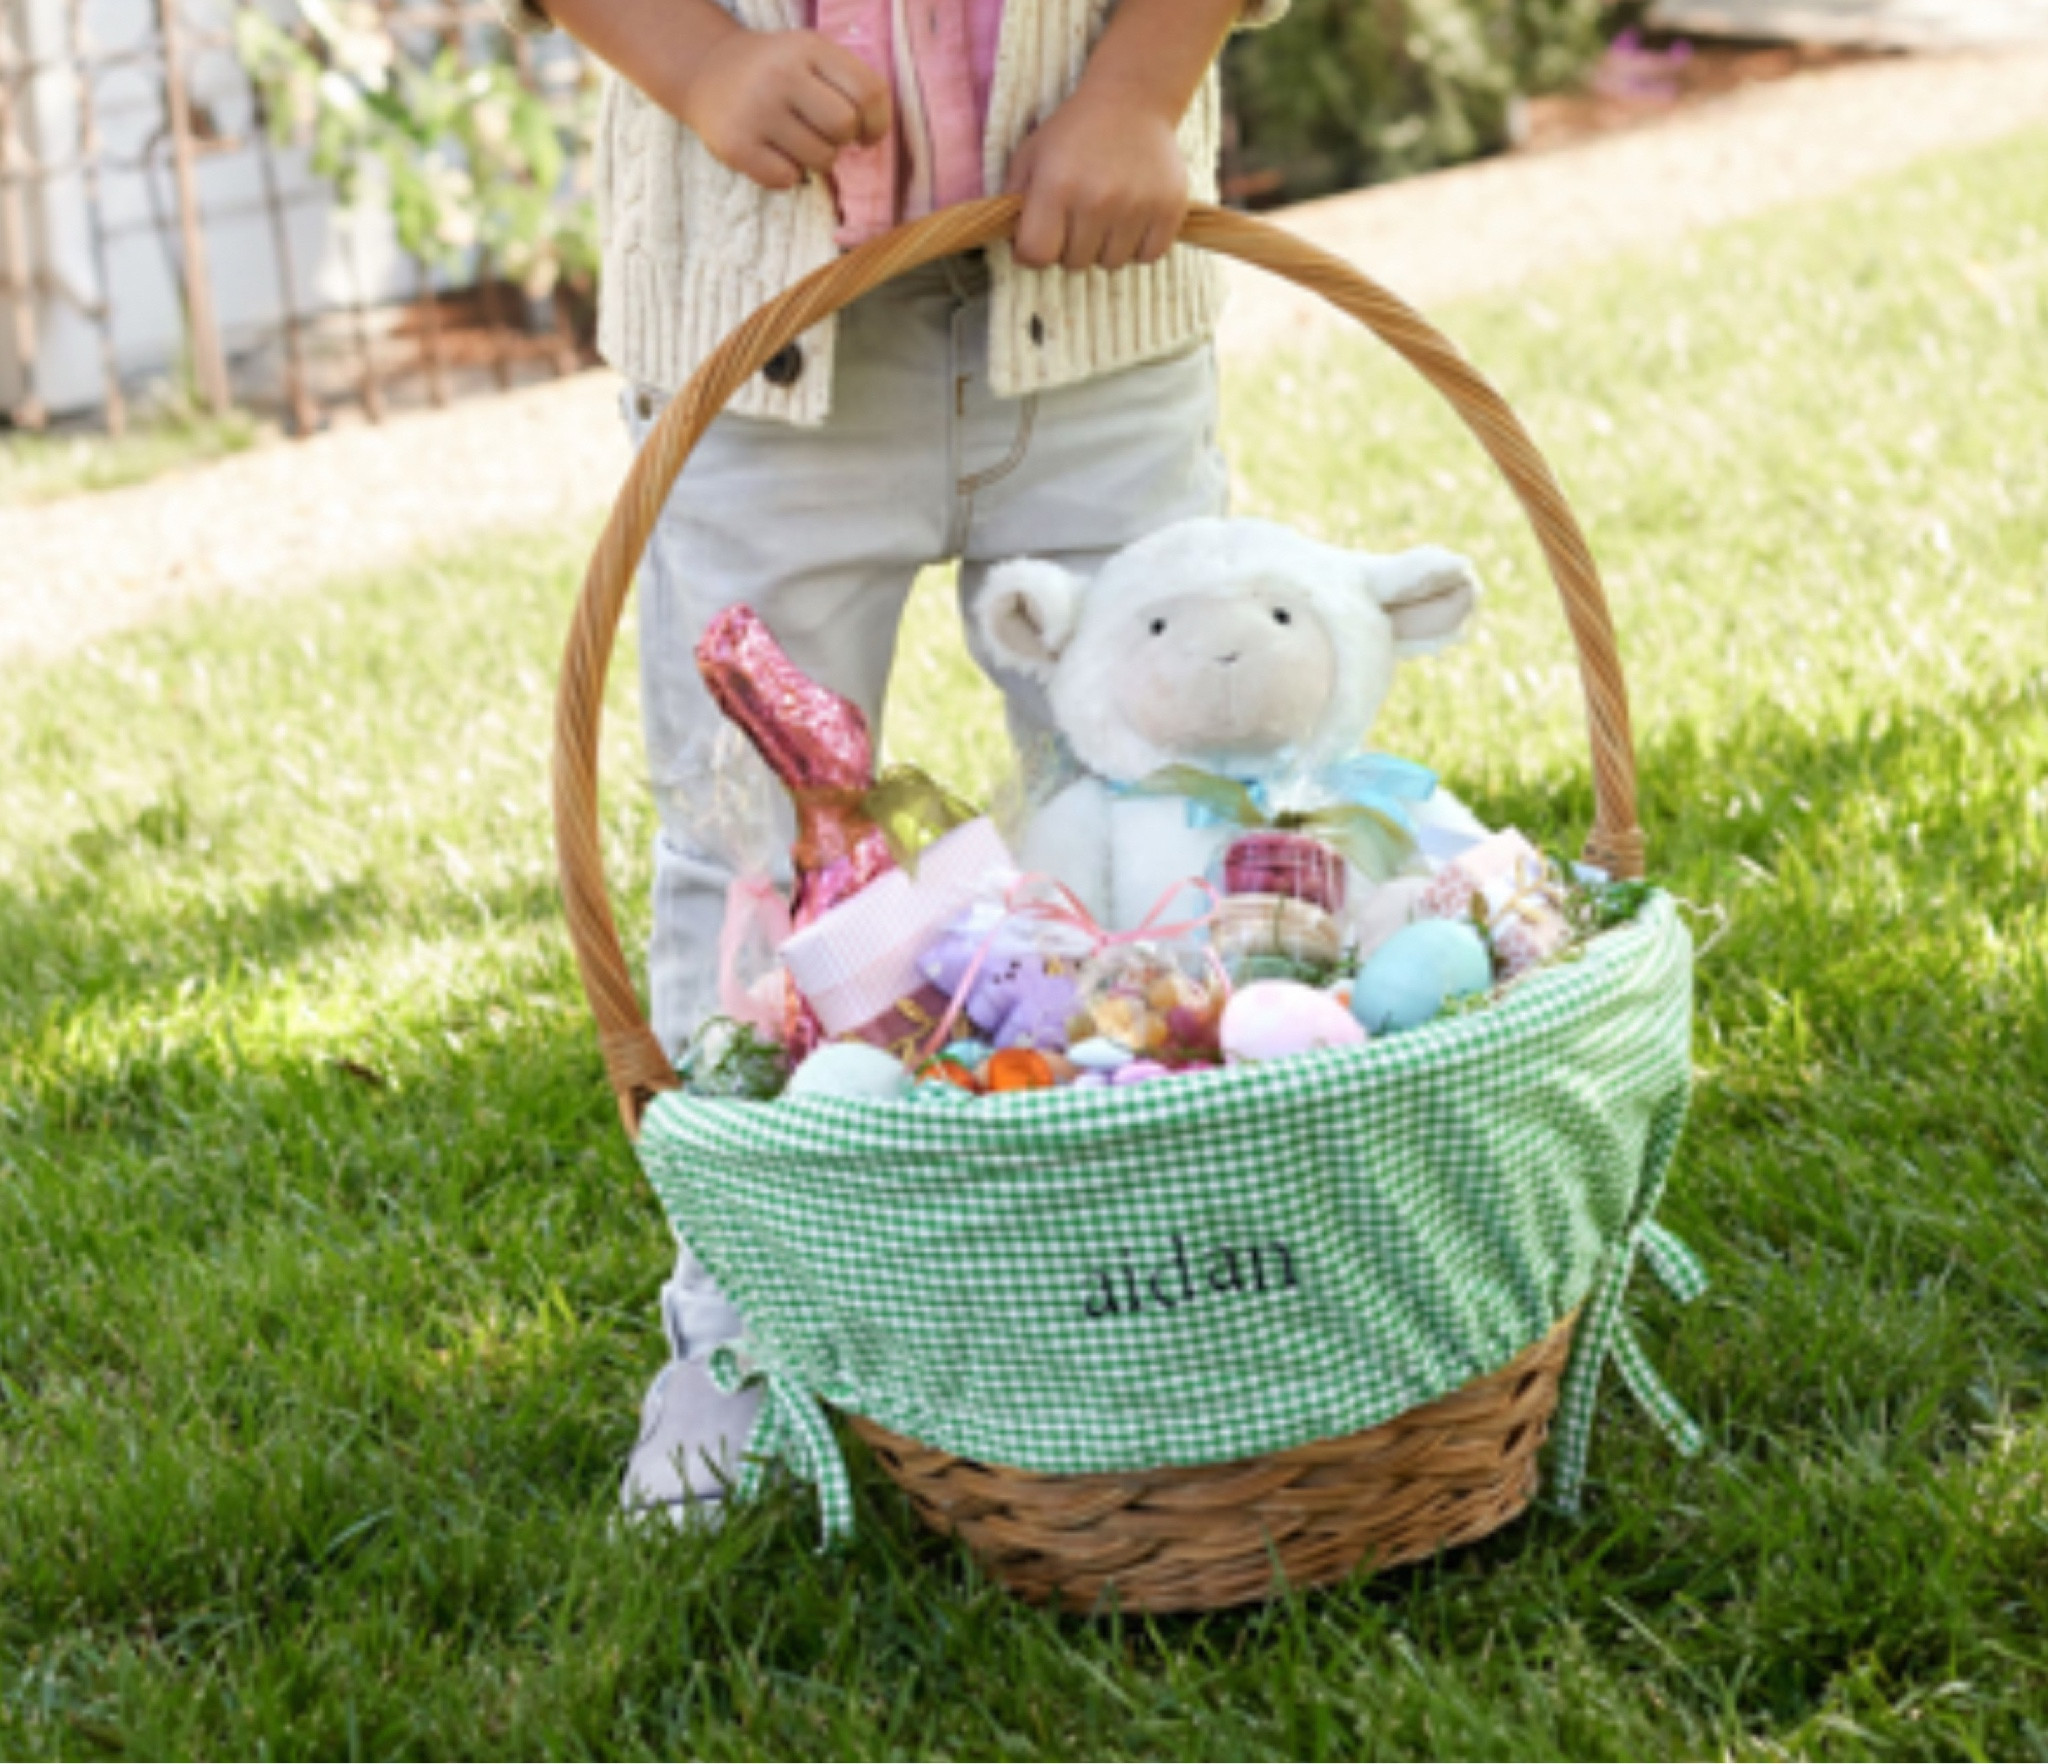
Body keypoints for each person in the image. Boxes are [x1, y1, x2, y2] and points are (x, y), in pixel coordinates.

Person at [495, 0, 1287, 1525]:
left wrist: (1141, 88)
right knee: (752, 861)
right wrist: (701, 60)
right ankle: (751, 1332)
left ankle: (1186, 1269)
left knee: (1167, 801)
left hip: (1092, 306)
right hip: (762, 343)